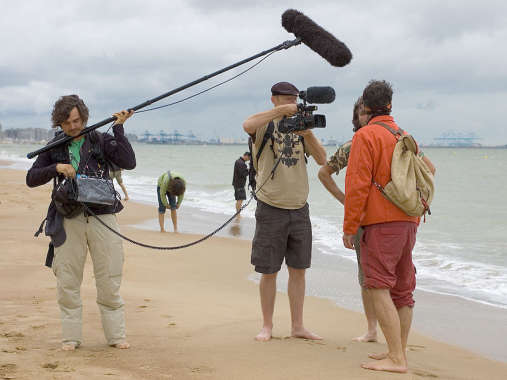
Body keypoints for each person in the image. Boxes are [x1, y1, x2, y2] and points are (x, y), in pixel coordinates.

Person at [26, 95, 136, 351]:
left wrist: (119, 128)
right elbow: (31, 178)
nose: (73, 126)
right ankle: (71, 338)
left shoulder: (100, 139)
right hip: (68, 219)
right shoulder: (55, 145)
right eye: (66, 123)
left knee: (109, 277)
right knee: (68, 281)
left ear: (84, 117)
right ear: (59, 124)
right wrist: (57, 168)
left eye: (76, 120)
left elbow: (128, 162)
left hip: (103, 216)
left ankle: (116, 336)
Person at [342, 80, 435, 373]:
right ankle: (399, 352)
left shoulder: (365, 136)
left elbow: (357, 185)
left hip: (380, 223)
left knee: (378, 286)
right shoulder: (404, 135)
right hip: (410, 220)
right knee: (403, 290)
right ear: (390, 105)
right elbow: (429, 170)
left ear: (365, 108)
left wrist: (349, 226)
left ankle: (396, 358)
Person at [243, 81, 327, 341]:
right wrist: (281, 113)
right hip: (270, 206)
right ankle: (267, 326)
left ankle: (298, 326)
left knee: (299, 270)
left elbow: (324, 159)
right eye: (286, 98)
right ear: (274, 99)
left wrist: (307, 133)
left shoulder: (302, 127)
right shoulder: (265, 123)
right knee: (269, 271)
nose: (291, 102)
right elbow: (247, 124)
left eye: (294, 99)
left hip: (299, 208)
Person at [318, 96, 379, 343]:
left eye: (369, 112)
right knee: (366, 277)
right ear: (357, 118)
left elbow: (428, 168)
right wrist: (347, 201)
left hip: (392, 218)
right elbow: (324, 173)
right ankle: (373, 329)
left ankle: (391, 328)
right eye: (362, 113)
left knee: (391, 277)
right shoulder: (352, 145)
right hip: (364, 220)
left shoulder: (396, 140)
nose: (366, 117)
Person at [232, 151, 251, 218]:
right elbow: (244, 174)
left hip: (236, 183)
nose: (248, 160)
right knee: (240, 199)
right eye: (249, 158)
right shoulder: (241, 163)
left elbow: (242, 172)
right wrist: (249, 169)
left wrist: (247, 169)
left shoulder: (238, 161)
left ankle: (238, 214)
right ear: (246, 156)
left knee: (239, 199)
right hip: (239, 184)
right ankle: (238, 214)